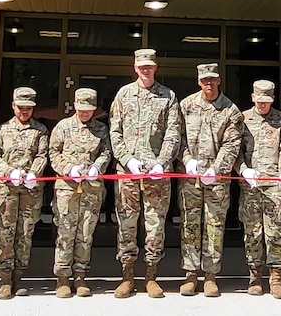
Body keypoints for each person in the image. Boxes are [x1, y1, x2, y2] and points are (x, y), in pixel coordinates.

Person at [109, 48, 182, 298]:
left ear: (155, 67)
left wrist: (162, 162)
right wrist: (127, 160)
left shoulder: (168, 96)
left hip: (157, 173)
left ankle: (151, 276)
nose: (145, 70)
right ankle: (127, 276)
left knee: (155, 225)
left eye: (149, 66)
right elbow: (115, 132)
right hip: (129, 173)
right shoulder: (123, 94)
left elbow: (173, 133)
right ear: (135, 67)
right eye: (141, 66)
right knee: (127, 224)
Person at [178, 63, 244, 297]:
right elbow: (178, 138)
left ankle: (210, 276)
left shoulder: (230, 110)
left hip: (217, 181)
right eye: (205, 79)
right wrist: (187, 160)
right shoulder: (186, 106)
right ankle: (190, 275)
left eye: (213, 79)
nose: (209, 83)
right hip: (190, 179)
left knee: (214, 227)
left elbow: (232, 144)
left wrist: (217, 169)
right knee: (190, 225)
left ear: (219, 81)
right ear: (199, 81)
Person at [48, 88, 112, 298]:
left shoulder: (101, 129)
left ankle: (81, 276)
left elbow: (106, 152)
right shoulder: (63, 127)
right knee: (65, 232)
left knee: (85, 233)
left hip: (91, 189)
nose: (85, 113)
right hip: (67, 189)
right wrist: (67, 169)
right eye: (82, 109)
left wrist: (98, 167)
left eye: (89, 110)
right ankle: (63, 278)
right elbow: (53, 152)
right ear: (75, 106)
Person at [236, 80, 281, 299]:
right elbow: (235, 149)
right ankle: (255, 276)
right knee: (252, 232)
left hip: (273, 186)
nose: (262, 105)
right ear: (252, 97)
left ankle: (276, 278)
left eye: (267, 101)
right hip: (250, 185)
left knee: (276, 232)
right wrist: (243, 169)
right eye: (259, 101)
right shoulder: (242, 119)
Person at [0, 86, 49, 299]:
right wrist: (8, 171)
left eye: (29, 108)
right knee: (5, 232)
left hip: (30, 191)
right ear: (13, 106)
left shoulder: (40, 131)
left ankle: (18, 277)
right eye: (21, 107)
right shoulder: (3, 130)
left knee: (25, 233)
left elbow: (43, 155)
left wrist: (34, 172)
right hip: (7, 190)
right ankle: (5, 280)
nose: (24, 111)